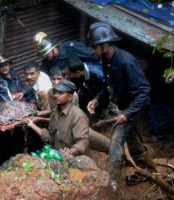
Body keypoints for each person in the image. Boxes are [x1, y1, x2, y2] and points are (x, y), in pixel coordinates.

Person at [87, 22, 155, 191]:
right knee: (132, 139)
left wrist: (128, 113)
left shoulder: (126, 61)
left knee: (116, 141)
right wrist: (97, 99)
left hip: (135, 106)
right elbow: (108, 85)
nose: (93, 50)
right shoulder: (106, 60)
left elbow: (144, 90)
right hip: (124, 106)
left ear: (104, 45)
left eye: (94, 47)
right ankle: (149, 169)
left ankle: (111, 184)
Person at [25, 80, 110, 156]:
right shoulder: (55, 113)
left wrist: (72, 151)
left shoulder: (78, 116)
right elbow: (50, 138)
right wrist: (32, 125)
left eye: (60, 93)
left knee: (109, 146)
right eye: (55, 93)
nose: (56, 96)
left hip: (76, 160)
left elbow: (82, 142)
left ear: (70, 97)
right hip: (60, 157)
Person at [34, 31, 100, 75]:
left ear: (53, 48)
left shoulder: (72, 47)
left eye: (47, 54)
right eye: (44, 55)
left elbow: (94, 56)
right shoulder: (46, 63)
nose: (46, 57)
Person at [66, 57, 108, 123]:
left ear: (78, 72)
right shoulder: (77, 74)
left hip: (104, 97)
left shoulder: (97, 74)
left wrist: (96, 99)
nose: (68, 76)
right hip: (89, 94)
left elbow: (106, 89)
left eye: (70, 74)